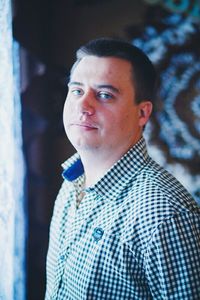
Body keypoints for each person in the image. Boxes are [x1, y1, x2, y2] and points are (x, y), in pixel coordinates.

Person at [45, 37, 200, 299]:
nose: (83, 106)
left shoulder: (165, 214)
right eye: (77, 91)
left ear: (143, 113)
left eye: (104, 95)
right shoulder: (71, 183)